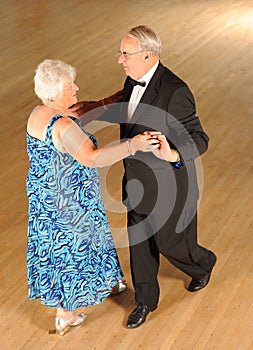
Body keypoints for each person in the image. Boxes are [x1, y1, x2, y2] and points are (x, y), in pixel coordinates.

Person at [72, 25, 217, 329]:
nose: (120, 59)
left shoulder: (175, 91)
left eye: (125, 54)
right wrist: (95, 107)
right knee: (141, 246)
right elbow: (126, 104)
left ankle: (203, 264)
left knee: (170, 244)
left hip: (171, 187)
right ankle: (145, 301)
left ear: (148, 55)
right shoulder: (133, 78)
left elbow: (199, 137)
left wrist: (174, 154)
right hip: (136, 182)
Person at [26, 59, 164, 336]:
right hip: (72, 202)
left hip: (45, 199)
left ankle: (110, 281)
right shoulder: (63, 126)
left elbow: (79, 111)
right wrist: (133, 145)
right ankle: (65, 313)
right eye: (69, 86)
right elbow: (92, 158)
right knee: (71, 252)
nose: (75, 88)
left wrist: (112, 98)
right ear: (55, 92)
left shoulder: (39, 113)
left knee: (66, 246)